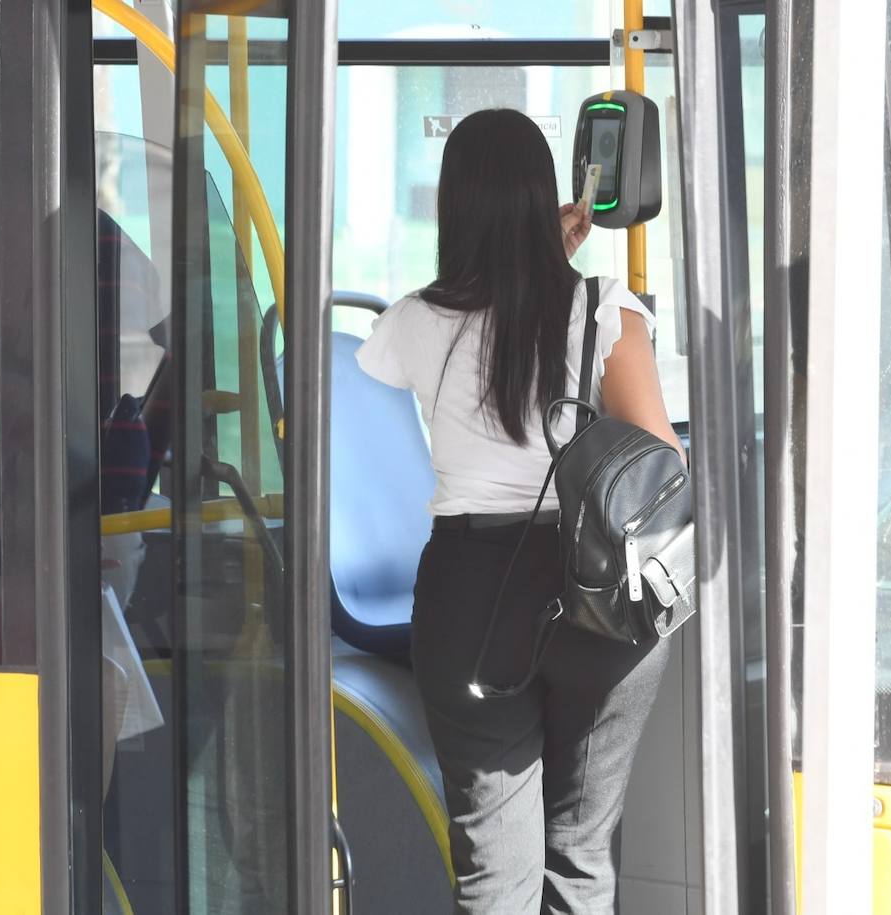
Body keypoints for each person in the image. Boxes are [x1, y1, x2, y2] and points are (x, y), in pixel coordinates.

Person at [356, 109, 683, 913]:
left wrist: (522, 270)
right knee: (578, 862)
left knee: (494, 877)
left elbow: (415, 351)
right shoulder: (607, 310)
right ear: (547, 200)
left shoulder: (411, 322)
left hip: (472, 597)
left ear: (454, 207)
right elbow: (659, 462)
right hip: (602, 594)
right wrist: (555, 274)